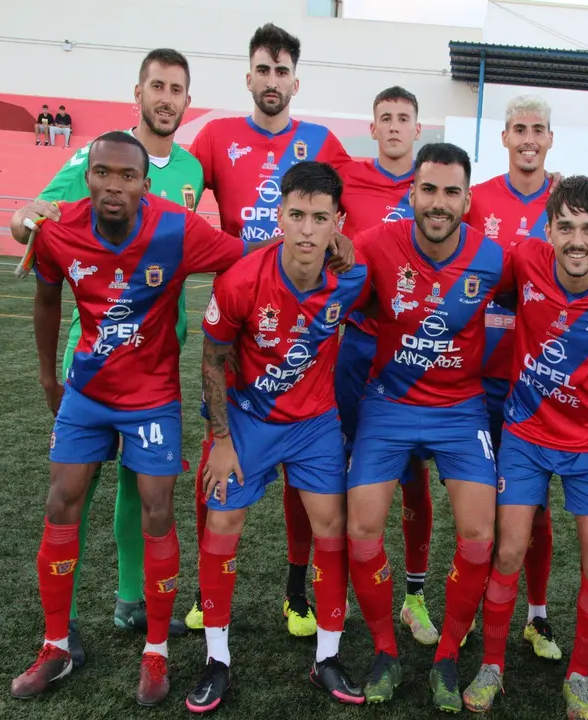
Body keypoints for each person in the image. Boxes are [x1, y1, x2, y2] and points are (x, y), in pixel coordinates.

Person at [10, 132, 249, 705]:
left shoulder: (178, 229)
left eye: (126, 176)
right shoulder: (59, 229)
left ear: (146, 183)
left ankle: (158, 652)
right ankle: (56, 645)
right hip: (88, 391)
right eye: (102, 174)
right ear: (86, 175)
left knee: (156, 508)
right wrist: (49, 378)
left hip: (152, 395)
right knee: (61, 499)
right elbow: (47, 299)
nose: (113, 186)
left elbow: (244, 259)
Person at [8, 48, 203, 667]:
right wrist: (20, 217)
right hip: (91, 349)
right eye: (157, 86)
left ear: (186, 100)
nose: (166, 98)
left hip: (157, 357)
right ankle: (60, 630)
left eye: (177, 88)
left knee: (138, 487)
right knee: (74, 485)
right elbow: (37, 218)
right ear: (138, 92)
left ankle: (128, 598)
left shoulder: (194, 168)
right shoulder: (95, 155)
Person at [462, 176, 588, 720]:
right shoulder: (526, 261)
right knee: (507, 553)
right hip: (526, 436)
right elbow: (472, 271)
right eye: (566, 227)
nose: (576, 240)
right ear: (549, 229)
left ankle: (578, 677)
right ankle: (492, 666)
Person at [188, 23, 354, 636]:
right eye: (263, 69)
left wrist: (341, 246)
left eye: (283, 71)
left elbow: (349, 224)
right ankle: (210, 601)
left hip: (307, 312)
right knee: (218, 462)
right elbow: (170, 192)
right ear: (249, 75)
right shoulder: (215, 136)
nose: (272, 81)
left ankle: (296, 588)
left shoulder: (322, 141)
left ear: (295, 80)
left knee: (305, 468)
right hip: (244, 309)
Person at [185, 162, 370, 712]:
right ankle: (217, 658)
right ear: (280, 217)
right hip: (247, 419)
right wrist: (220, 439)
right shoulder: (242, 279)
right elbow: (212, 359)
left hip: (315, 423)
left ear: (337, 220)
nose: (308, 230)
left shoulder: (351, 277)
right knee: (223, 520)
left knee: (332, 526)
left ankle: (328, 656)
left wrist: (352, 248)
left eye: (320, 218)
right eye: (297, 216)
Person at [345, 142, 511, 711]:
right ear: (411, 193)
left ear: (468, 200)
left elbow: (550, 294)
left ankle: (445, 655)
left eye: (451, 192)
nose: (439, 203)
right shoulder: (372, 246)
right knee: (361, 528)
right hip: (388, 403)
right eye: (429, 190)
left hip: (461, 408)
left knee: (480, 534)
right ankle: (386, 650)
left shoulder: (493, 259)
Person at [333, 85, 440, 645]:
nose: (395, 126)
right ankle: (349, 584)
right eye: (386, 118)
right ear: (371, 128)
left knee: (414, 475)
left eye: (405, 117)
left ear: (418, 129)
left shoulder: (437, 188)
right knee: (352, 466)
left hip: (417, 351)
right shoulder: (347, 176)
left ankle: (415, 595)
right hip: (358, 345)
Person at [464, 93, 561, 662]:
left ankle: (538, 615)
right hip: (479, 377)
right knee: (480, 505)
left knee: (536, 507)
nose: (528, 137)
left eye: (538, 129)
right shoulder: (475, 200)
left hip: (540, 383)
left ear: (550, 139)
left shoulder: (568, 201)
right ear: (504, 137)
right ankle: (477, 603)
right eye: (519, 128)